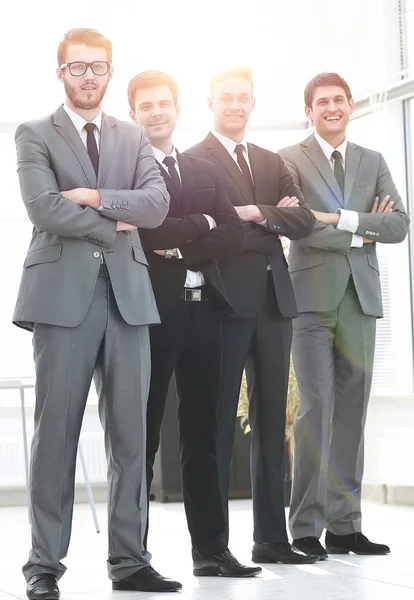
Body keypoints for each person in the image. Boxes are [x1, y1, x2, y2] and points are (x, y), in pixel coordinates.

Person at [13, 28, 183, 599]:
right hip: (62, 300)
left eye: (99, 67)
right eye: (77, 67)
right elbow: (44, 209)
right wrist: (116, 218)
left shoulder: (134, 137)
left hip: (129, 300)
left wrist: (90, 196)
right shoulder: (34, 133)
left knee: (133, 436)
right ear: (60, 73)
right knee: (56, 434)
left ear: (110, 73)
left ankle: (130, 561)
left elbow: (157, 207)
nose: (89, 76)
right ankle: (44, 565)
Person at [128, 70, 261, 578]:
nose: (157, 112)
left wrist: (182, 241)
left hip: (206, 312)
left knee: (204, 435)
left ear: (178, 108)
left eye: (165, 103)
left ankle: (211, 552)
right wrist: (198, 224)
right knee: (141, 437)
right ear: (135, 113)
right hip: (151, 315)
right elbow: (145, 231)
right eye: (147, 106)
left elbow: (232, 234)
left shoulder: (203, 166)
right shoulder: (129, 168)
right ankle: (134, 556)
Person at [186, 66, 318, 564]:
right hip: (223, 301)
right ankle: (215, 548)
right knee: (217, 425)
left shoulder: (270, 160)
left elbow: (301, 220)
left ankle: (271, 539)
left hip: (274, 301)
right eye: (226, 98)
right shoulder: (194, 161)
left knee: (271, 423)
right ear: (210, 101)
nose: (235, 105)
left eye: (243, 97)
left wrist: (252, 211)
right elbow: (206, 229)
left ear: (253, 102)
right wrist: (268, 214)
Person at [278, 72, 410, 559]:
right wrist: (361, 228)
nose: (331, 108)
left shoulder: (371, 161)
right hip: (310, 298)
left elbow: (398, 224)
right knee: (314, 412)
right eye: (322, 102)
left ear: (351, 106)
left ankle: (346, 527)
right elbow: (297, 225)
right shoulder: (289, 159)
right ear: (308, 110)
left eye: (339, 100)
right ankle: (305, 528)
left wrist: (337, 218)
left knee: (352, 412)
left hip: (360, 299)